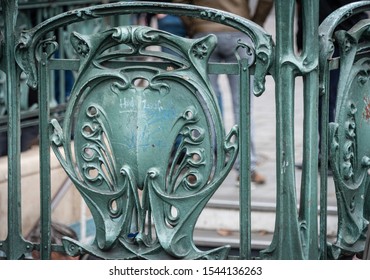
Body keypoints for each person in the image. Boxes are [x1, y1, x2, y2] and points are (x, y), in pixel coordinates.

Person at [173, 0, 267, 185]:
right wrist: (254, 23)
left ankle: (204, 167)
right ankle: (247, 168)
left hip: (204, 32)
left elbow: (178, 2)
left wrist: (195, 24)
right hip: (240, 29)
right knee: (243, 106)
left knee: (206, 105)